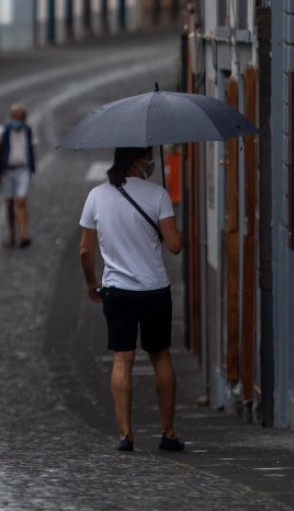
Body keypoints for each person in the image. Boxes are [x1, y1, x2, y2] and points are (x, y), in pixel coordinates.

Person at [78, 146, 185, 453]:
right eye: (149, 157)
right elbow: (175, 246)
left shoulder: (97, 196)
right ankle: (168, 433)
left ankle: (126, 435)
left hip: (117, 290)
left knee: (122, 359)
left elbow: (85, 250)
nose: (151, 162)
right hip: (154, 290)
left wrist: (90, 282)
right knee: (161, 356)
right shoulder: (157, 195)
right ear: (138, 161)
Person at [0, 104, 36, 248]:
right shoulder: (3, 131)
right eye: (15, 116)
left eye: (20, 117)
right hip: (7, 171)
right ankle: (12, 234)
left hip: (23, 170)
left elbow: (31, 149)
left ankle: (22, 234)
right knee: (9, 203)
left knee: (21, 201)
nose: (17, 119)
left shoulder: (28, 131)